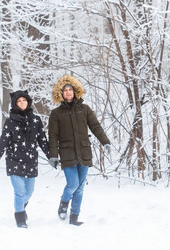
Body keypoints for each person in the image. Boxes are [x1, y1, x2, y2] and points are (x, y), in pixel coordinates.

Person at [48, 75, 111, 226]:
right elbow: (53, 135)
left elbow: (95, 126)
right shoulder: (56, 114)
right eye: (65, 90)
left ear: (75, 91)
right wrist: (53, 155)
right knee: (73, 184)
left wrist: (105, 142)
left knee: (80, 188)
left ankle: (74, 217)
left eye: (70, 90)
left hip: (84, 152)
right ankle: (64, 203)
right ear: (61, 93)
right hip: (67, 153)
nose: (68, 92)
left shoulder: (85, 109)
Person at [0, 90, 49, 228]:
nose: (22, 103)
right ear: (15, 104)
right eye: (19, 101)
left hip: (31, 161)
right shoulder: (10, 122)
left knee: (29, 192)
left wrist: (51, 156)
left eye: (24, 100)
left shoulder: (36, 120)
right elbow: (3, 142)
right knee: (19, 192)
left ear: (28, 102)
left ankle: (21, 207)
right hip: (14, 161)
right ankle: (20, 219)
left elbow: (42, 141)